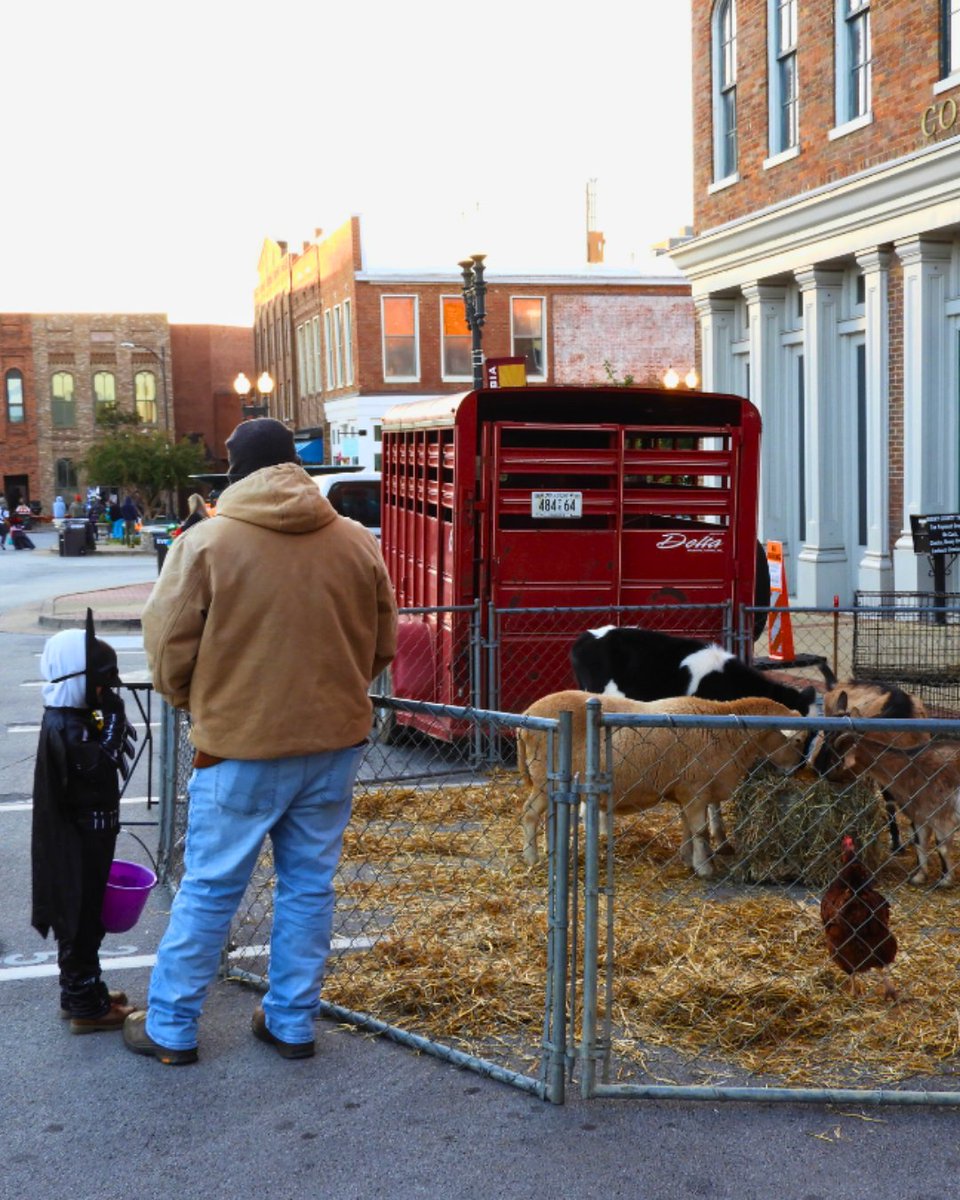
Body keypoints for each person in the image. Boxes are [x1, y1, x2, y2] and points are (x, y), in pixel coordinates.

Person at [125, 417, 397, 1065]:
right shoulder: (355, 540)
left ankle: (171, 1028)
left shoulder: (207, 543)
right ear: (295, 469)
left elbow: (167, 650)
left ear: (235, 472)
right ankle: (291, 1021)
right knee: (309, 886)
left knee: (212, 888)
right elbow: (382, 643)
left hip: (238, 745)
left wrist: (198, 703)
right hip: (332, 743)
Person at [31, 611, 138, 1033]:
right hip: (77, 843)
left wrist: (106, 716)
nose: (104, 691)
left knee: (86, 915)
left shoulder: (69, 719)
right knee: (79, 915)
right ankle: (85, 1005)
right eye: (100, 683)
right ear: (76, 677)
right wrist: (112, 723)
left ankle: (84, 991)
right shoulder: (65, 725)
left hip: (85, 837)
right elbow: (100, 766)